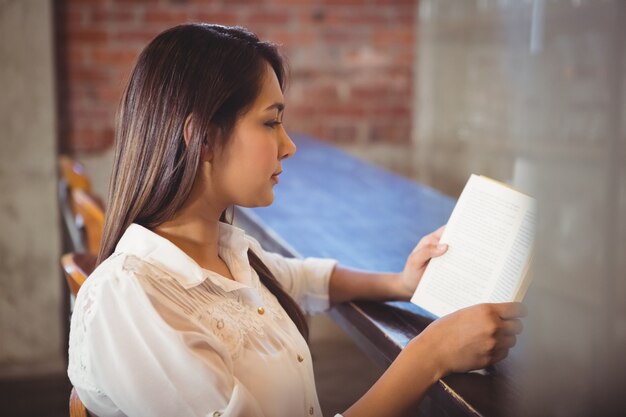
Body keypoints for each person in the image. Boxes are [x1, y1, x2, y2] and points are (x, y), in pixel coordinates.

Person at [67, 23, 526, 417]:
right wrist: (429, 355)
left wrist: (402, 284)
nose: (289, 146)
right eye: (271, 123)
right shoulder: (130, 298)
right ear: (201, 137)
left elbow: (304, 278)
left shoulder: (226, 251)